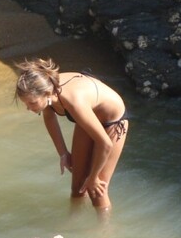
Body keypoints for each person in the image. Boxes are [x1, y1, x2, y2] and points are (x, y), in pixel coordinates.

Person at [15, 58, 129, 220]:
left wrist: (94, 177)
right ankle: (73, 222)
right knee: (77, 186)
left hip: (112, 121)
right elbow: (49, 118)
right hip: (89, 115)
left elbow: (105, 143)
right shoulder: (47, 92)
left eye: (32, 103)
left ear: (47, 93)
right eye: (26, 104)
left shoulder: (73, 102)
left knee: (96, 189)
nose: (29, 108)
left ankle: (103, 234)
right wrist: (63, 153)